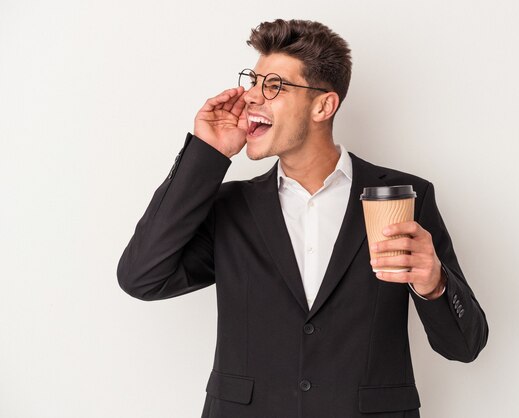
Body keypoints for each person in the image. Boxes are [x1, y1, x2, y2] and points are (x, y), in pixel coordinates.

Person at [117, 18, 488, 418]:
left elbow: (464, 347)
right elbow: (142, 277)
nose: (251, 99)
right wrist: (207, 154)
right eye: (253, 82)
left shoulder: (404, 196)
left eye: (273, 85)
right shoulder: (230, 207)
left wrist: (434, 284)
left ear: (324, 105)